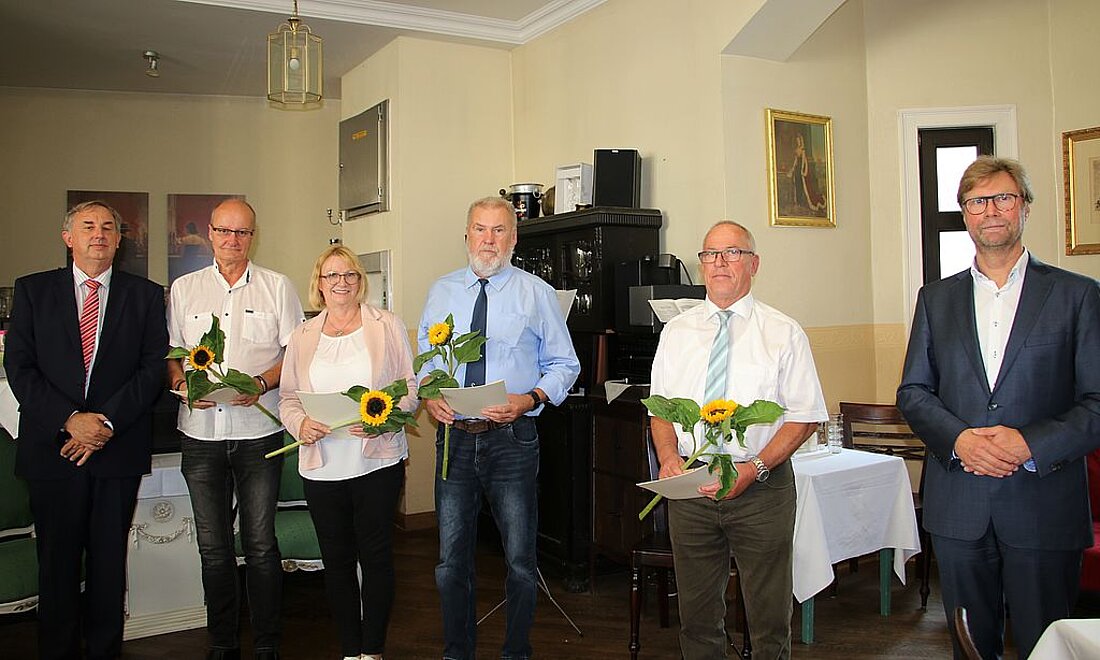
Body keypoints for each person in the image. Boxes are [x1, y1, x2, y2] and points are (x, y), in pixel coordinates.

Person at [897, 156, 1100, 659]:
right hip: (960, 504)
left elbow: (1096, 402)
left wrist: (1028, 443)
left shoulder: (1078, 295)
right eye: (977, 201)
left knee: (1046, 647)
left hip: (1043, 504)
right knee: (969, 647)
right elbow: (914, 392)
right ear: (965, 213)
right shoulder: (935, 299)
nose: (990, 210)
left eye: (1003, 198)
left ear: (1025, 207)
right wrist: (960, 440)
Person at [648, 220, 827, 659]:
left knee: (768, 619)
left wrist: (754, 468)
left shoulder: (783, 332)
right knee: (697, 619)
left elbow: (805, 417)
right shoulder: (676, 332)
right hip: (691, 489)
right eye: (710, 254)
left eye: (732, 253)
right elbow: (660, 410)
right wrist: (668, 458)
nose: (720, 263)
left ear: (754, 264)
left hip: (761, 489)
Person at [417, 196, 580, 660]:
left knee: (521, 562)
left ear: (513, 238)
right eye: (480, 229)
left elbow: (565, 364)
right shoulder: (441, 291)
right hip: (454, 439)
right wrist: (429, 394)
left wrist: (530, 399)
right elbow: (426, 361)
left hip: (513, 441)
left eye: (499, 230)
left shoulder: (536, 293)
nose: (488, 240)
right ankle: (457, 652)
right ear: (466, 234)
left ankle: (515, 652)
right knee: (450, 562)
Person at [4, 201, 168, 659]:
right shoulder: (33, 291)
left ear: (119, 240)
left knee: (108, 565)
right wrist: (70, 420)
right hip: (52, 450)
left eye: (108, 227)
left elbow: (152, 369)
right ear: (68, 237)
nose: (99, 234)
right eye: (88, 226)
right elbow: (20, 367)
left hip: (117, 450)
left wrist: (105, 423)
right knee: (56, 566)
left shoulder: (145, 295)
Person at [166, 199, 304, 660]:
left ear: (253, 237)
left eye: (242, 232)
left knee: (261, 545)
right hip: (200, 435)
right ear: (210, 233)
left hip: (256, 433)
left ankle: (267, 643)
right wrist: (182, 385)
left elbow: (296, 353)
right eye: (224, 231)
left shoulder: (276, 287)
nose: (232, 240)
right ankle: (222, 642)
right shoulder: (184, 289)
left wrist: (262, 383)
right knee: (213, 548)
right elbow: (172, 354)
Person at [278, 245, 417, 660]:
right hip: (322, 466)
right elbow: (288, 398)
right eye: (332, 276)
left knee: (376, 557)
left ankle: (372, 650)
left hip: (377, 460)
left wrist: (383, 418)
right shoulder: (302, 336)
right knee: (336, 561)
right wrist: (300, 425)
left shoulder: (387, 325)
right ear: (319, 285)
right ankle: (350, 650)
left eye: (350, 275)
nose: (342, 283)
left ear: (360, 281)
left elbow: (410, 389)